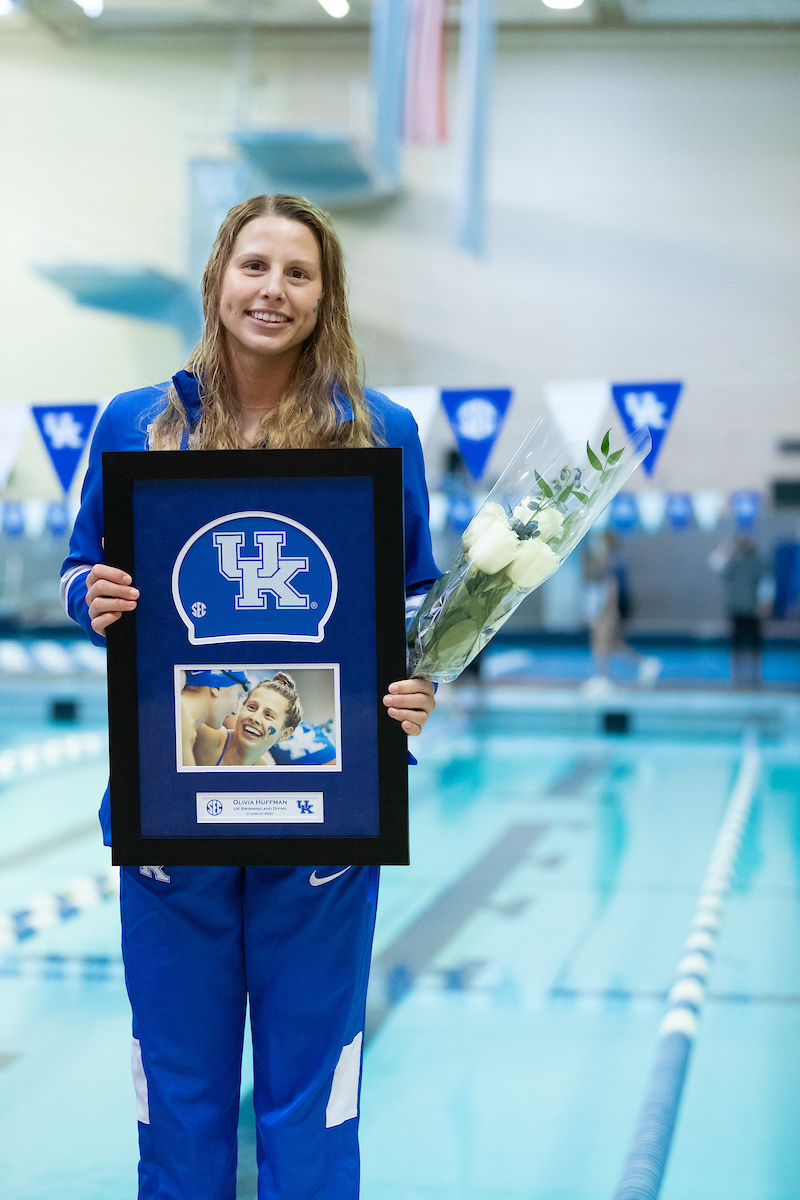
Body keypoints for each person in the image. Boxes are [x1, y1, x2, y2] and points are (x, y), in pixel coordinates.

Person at [59, 194, 438, 1200]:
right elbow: (79, 566)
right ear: (217, 279)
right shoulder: (136, 421)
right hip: (169, 804)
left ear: (325, 296)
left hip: (327, 816)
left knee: (312, 1094)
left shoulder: (378, 429)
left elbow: (415, 602)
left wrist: (420, 684)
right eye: (254, 266)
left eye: (297, 273)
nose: (272, 290)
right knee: (178, 1087)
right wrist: (89, 597)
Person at [582, 530, 661, 693]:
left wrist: (610, 609)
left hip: (609, 608)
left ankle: (602, 677)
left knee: (600, 642)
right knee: (612, 643)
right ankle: (644, 663)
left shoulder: (610, 562)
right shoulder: (614, 561)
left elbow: (613, 588)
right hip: (612, 606)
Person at [195, 674, 302, 768]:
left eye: (268, 715)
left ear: (285, 734)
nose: (254, 718)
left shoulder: (265, 775)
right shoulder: (205, 735)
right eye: (251, 707)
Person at [709, 534, 772, 687]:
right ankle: (736, 673)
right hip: (736, 607)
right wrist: (724, 549)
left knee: (755, 640)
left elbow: (766, 583)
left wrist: (764, 602)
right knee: (736, 640)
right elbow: (715, 565)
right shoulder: (732, 561)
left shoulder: (759, 562)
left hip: (753, 608)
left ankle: (756, 673)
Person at [179, 668, 249, 765]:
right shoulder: (182, 716)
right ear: (216, 687)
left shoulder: (187, 723)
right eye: (238, 695)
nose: (234, 711)